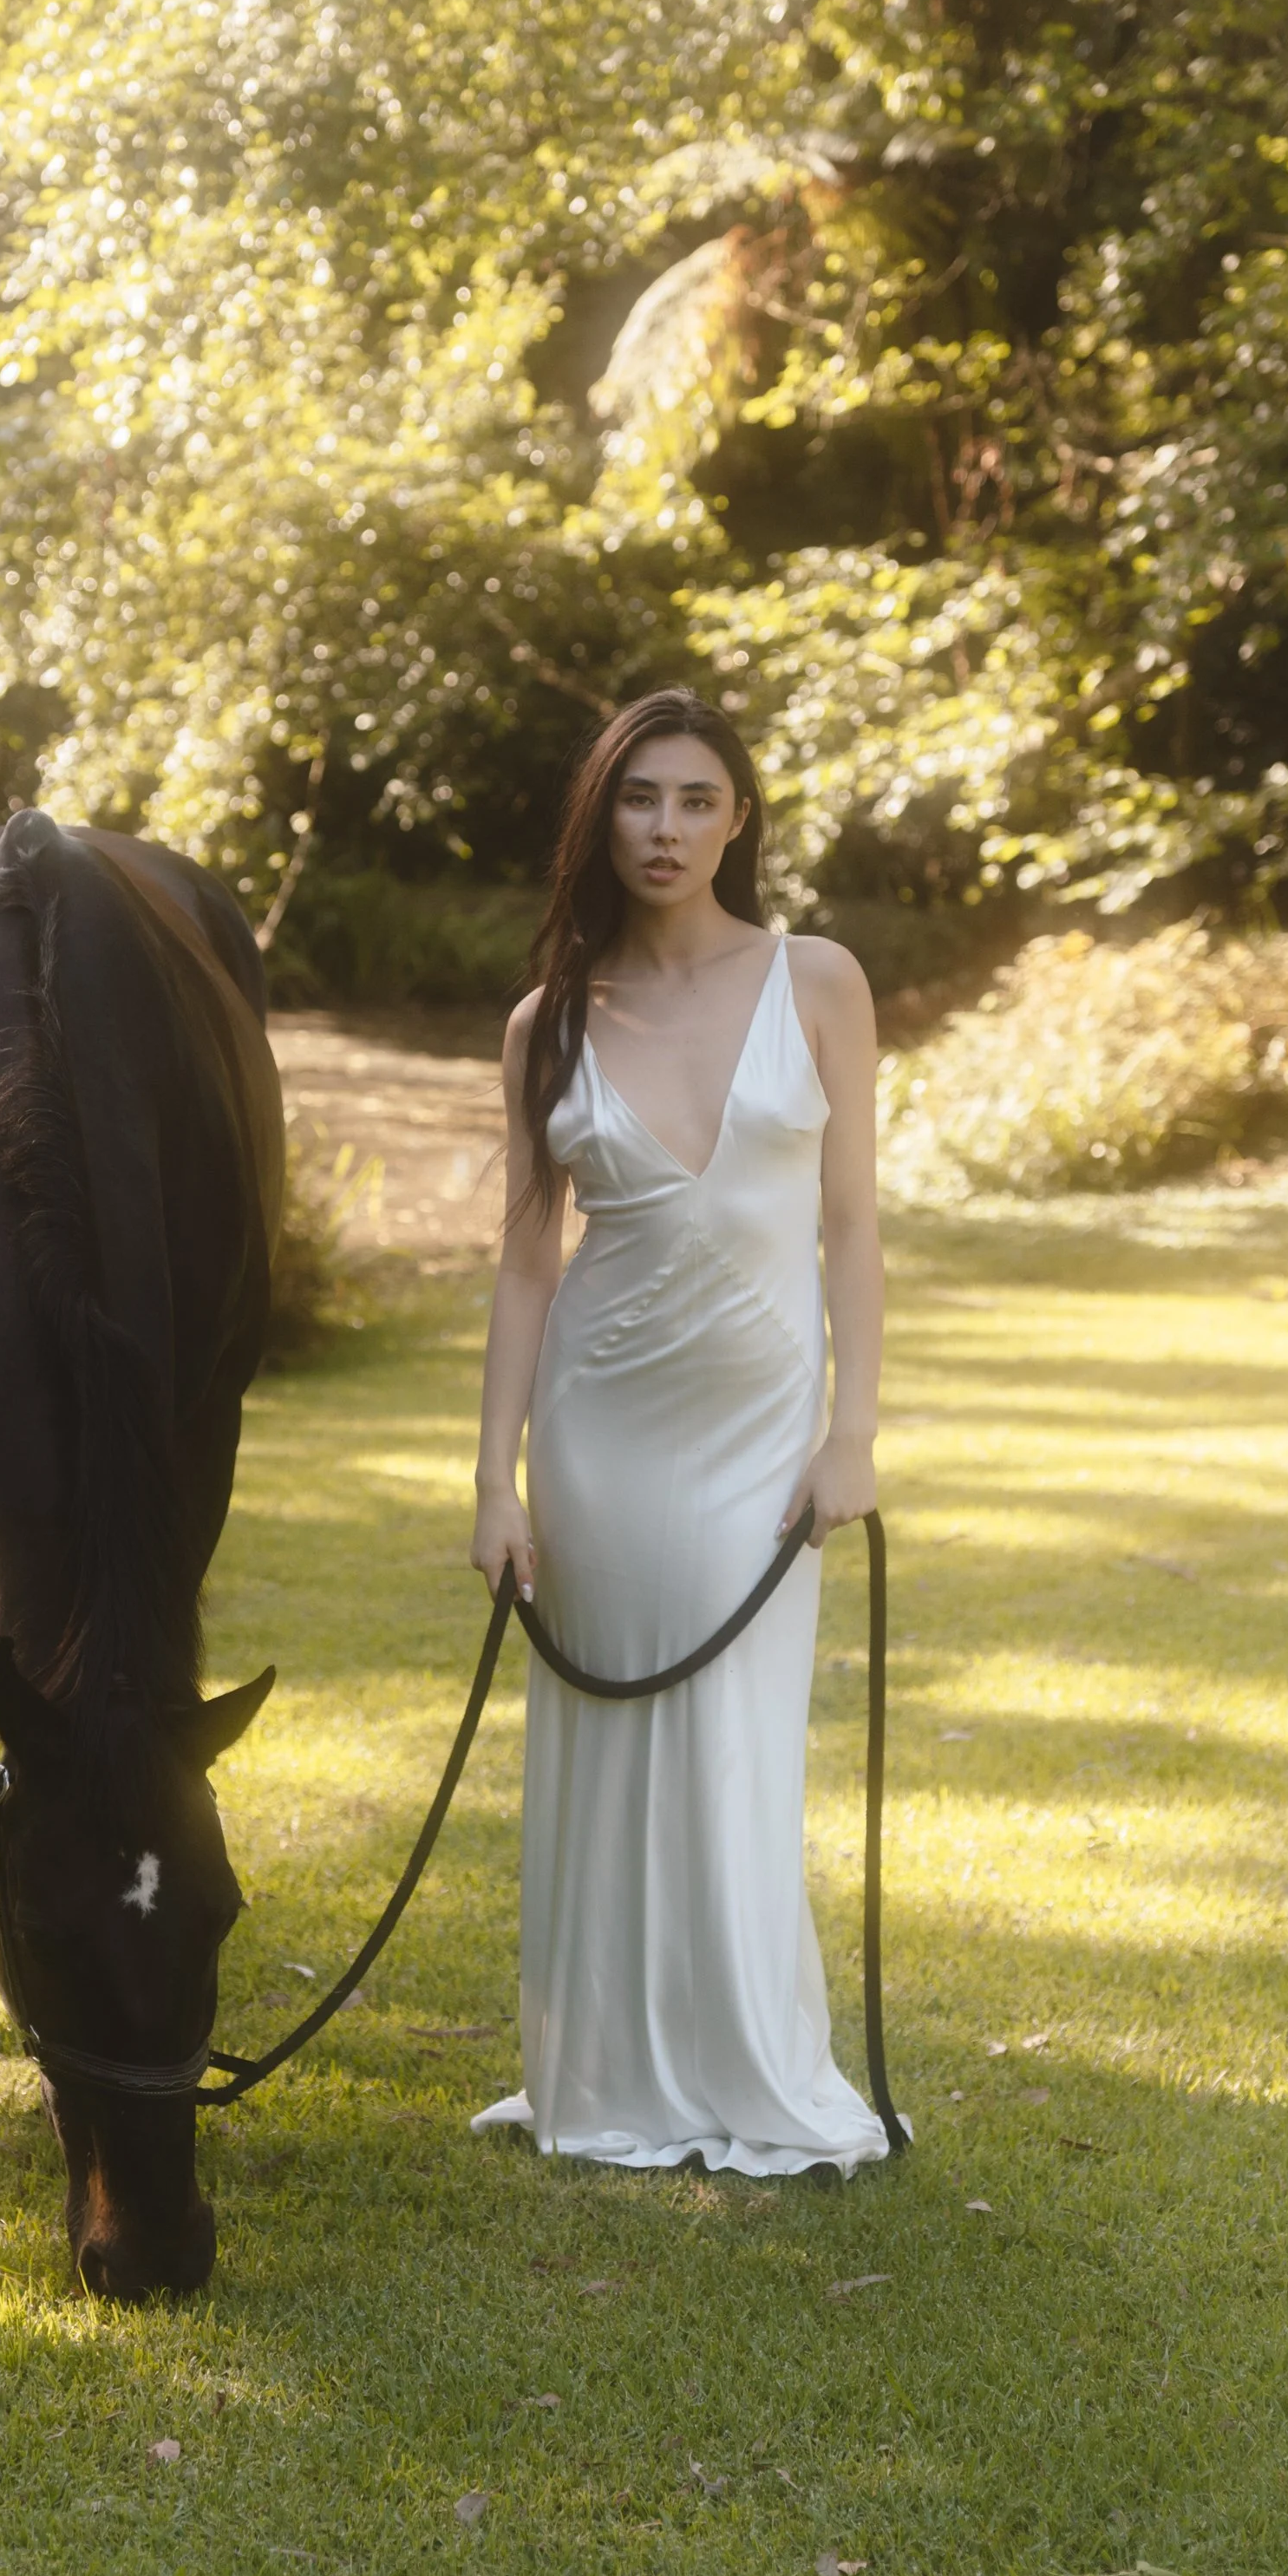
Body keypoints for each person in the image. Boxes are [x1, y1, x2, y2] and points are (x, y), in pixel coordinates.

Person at [467, 687, 892, 2174]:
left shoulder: (820, 979)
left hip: (765, 1422)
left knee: (737, 1741)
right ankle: (605, 2073)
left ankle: (750, 2065)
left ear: (740, 818)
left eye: (696, 799)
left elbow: (851, 1230)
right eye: (641, 799)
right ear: (605, 820)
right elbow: (527, 1263)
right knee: (608, 1733)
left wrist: (855, 1432)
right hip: (605, 1425)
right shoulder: (551, 1020)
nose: (667, 828)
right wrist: (495, 1481)